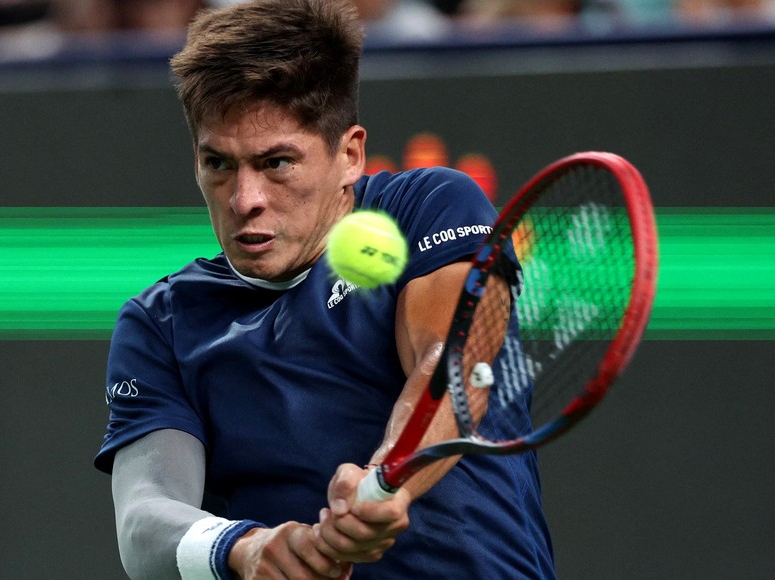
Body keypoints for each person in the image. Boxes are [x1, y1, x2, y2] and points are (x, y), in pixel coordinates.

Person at [93, 0, 555, 578]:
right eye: (218, 164)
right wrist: (246, 547)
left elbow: (452, 365)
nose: (244, 200)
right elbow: (144, 521)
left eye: (277, 162)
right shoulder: (160, 323)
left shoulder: (429, 206)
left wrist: (391, 478)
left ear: (350, 154)